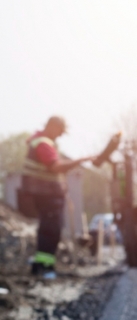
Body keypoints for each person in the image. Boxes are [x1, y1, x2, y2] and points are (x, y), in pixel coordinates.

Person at [21, 117, 89, 278]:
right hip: (47, 195)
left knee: (48, 229)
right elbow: (55, 167)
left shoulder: (38, 141)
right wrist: (79, 161)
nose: (60, 136)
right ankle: (45, 267)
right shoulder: (43, 143)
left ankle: (42, 265)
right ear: (52, 126)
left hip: (46, 195)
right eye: (60, 131)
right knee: (51, 230)